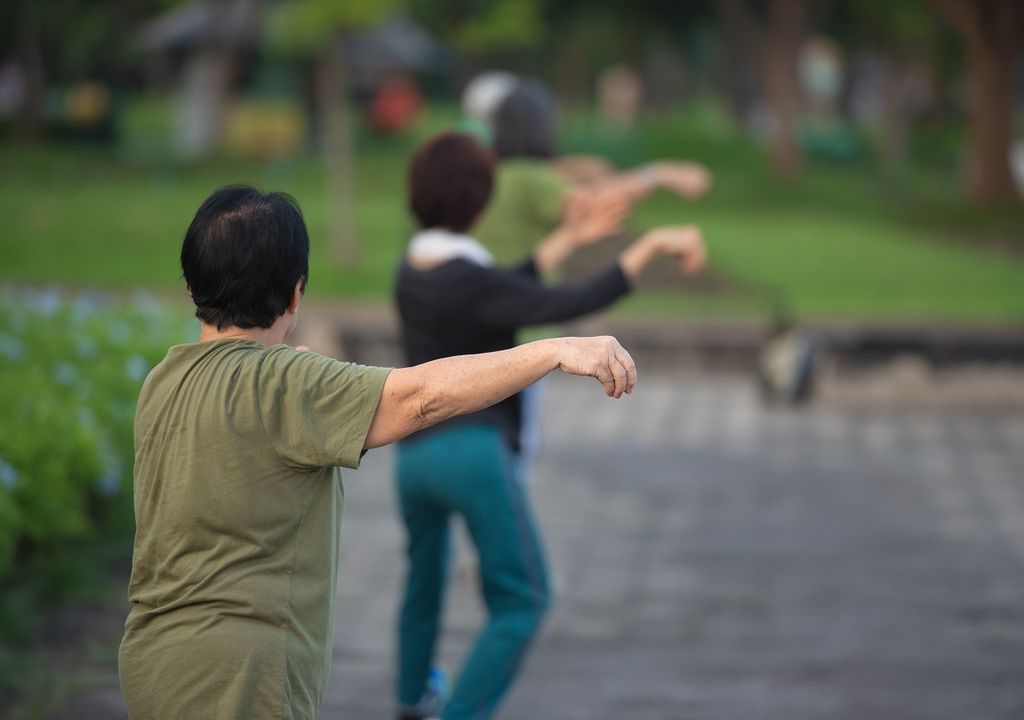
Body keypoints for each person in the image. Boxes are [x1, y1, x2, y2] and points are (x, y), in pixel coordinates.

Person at [117, 185, 641, 720]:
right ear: (294, 295)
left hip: (151, 661)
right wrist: (554, 350)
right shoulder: (287, 385)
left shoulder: (163, 382)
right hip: (237, 677)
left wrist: (297, 373)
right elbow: (420, 397)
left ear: (192, 285)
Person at [393, 133, 706, 720]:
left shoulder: (412, 269)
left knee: (423, 587)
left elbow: (507, 287)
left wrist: (569, 238)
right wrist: (647, 247)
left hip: (411, 460)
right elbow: (563, 300)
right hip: (471, 454)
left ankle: (411, 701)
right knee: (523, 599)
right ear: (480, 204)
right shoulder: (476, 282)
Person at [473, 78, 713, 267]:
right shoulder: (531, 177)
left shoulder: (497, 170)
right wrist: (660, 174)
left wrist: (584, 168)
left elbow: (555, 170)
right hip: (522, 300)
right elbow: (597, 204)